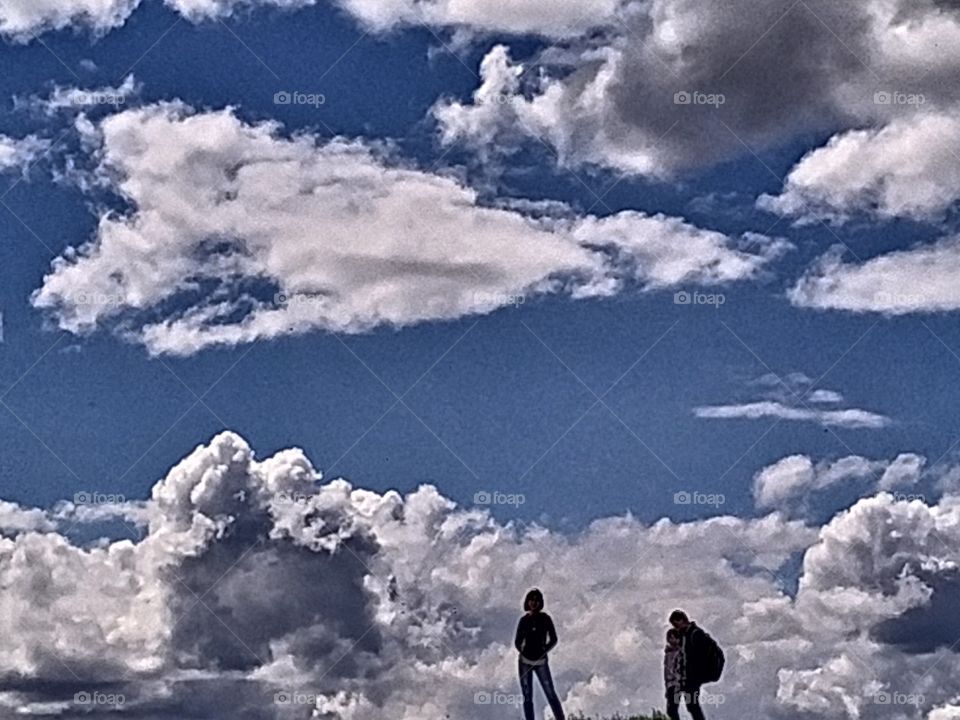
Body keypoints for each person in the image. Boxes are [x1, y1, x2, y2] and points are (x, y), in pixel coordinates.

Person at [515, 589, 566, 720]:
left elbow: (554, 638)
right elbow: (517, 641)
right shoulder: (524, 620)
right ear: (528, 602)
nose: (534, 603)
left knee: (550, 693)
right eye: (531, 600)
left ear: (540, 603)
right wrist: (523, 651)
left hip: (541, 661)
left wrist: (544, 649)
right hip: (525, 662)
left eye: (536, 600)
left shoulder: (545, 619)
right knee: (527, 696)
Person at [667, 610, 708, 720]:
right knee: (690, 706)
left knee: (691, 706)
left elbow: (689, 660)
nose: (676, 628)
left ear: (681, 620)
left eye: (676, 624)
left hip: (688, 679)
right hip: (686, 679)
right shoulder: (689, 635)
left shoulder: (692, 635)